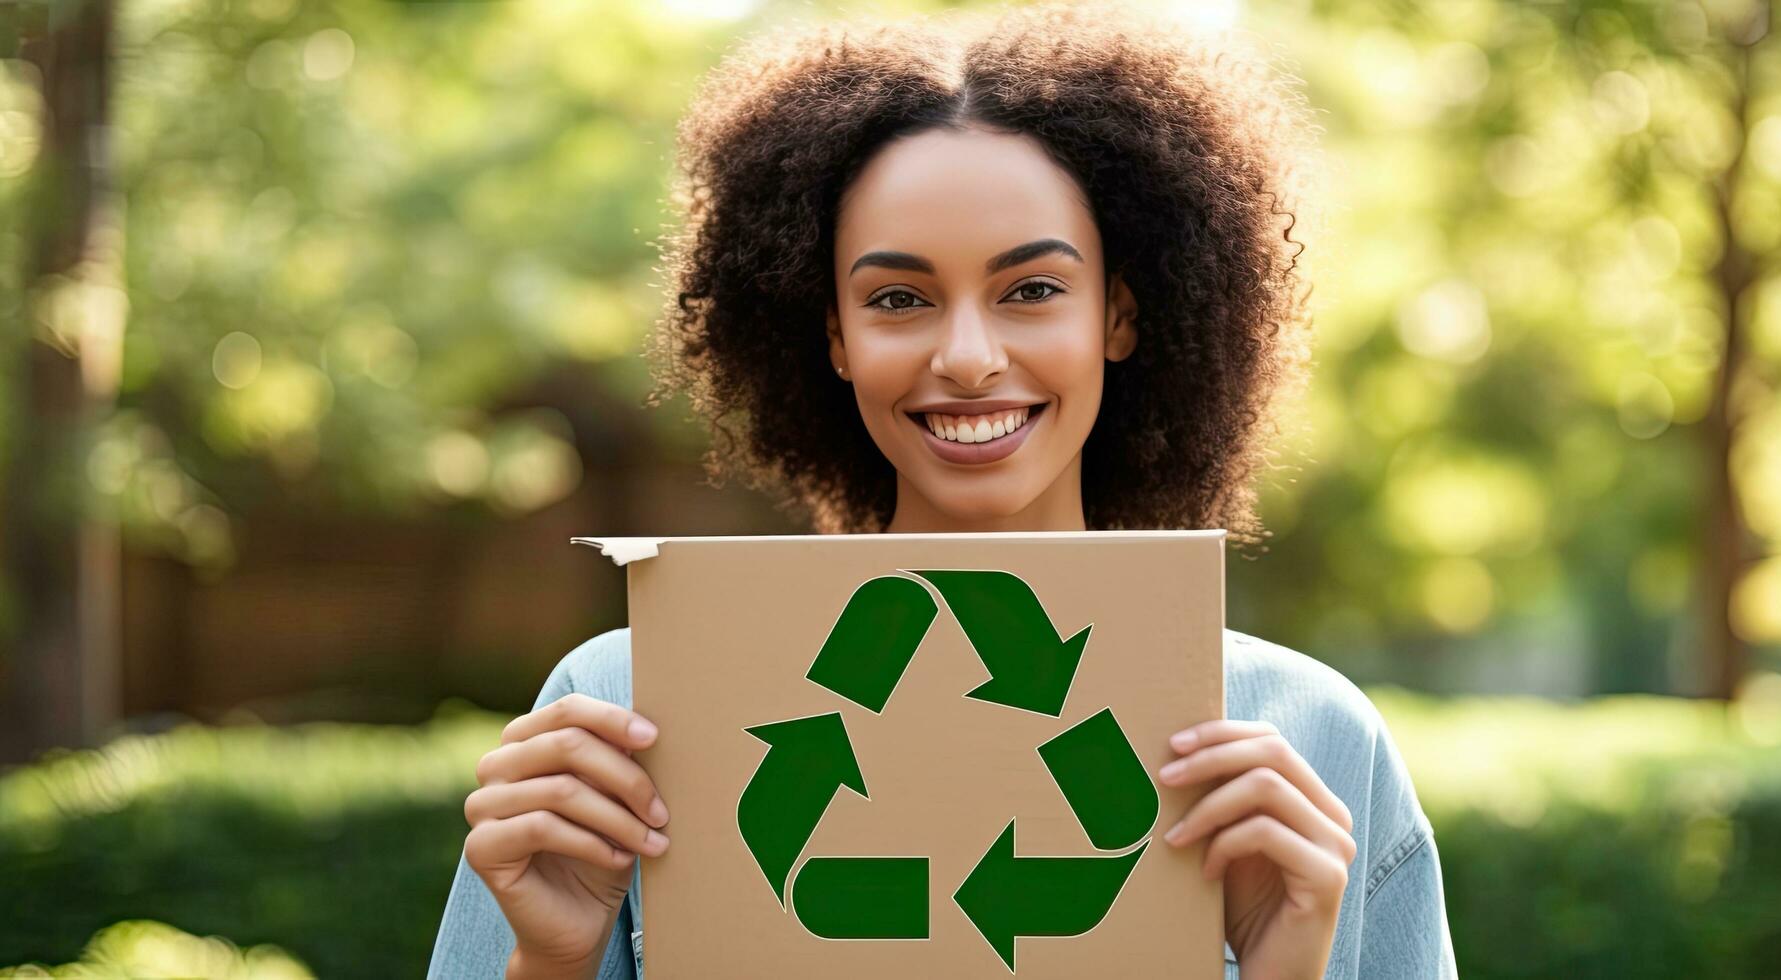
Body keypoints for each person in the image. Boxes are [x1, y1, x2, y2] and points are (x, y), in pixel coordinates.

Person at [429, 4, 1455, 977]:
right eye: (898, 298)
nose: (967, 356)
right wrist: (553, 963)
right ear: (832, 335)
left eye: (1033, 290)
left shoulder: (1308, 742)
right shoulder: (623, 710)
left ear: (1121, 316)